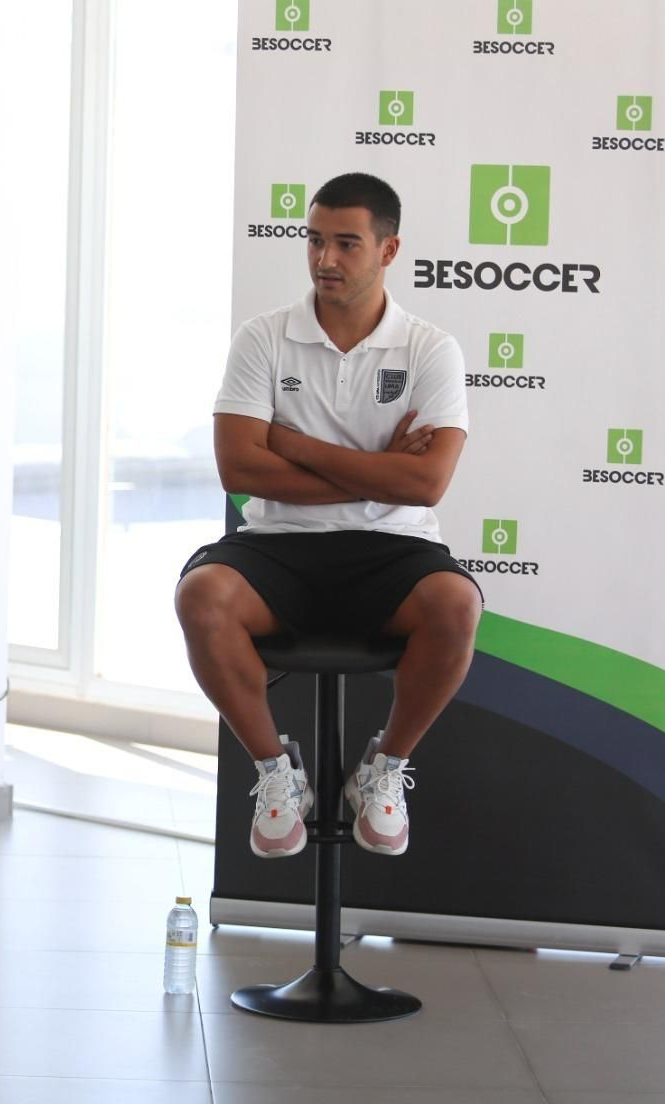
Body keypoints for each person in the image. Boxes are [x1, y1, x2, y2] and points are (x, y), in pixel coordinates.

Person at [173, 172, 482, 860]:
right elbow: (240, 470)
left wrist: (296, 445)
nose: (325, 259)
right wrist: (378, 471)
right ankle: (276, 772)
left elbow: (427, 484)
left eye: (346, 243)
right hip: (280, 543)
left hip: (392, 548)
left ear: (389, 249)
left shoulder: (431, 350)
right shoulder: (263, 338)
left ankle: (385, 770)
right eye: (314, 240)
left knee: (456, 606)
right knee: (202, 597)